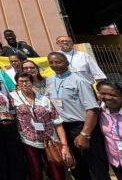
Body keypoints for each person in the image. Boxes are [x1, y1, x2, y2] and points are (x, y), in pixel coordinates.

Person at [46, 52, 110, 180]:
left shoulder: (80, 81)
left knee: (95, 167)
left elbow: (92, 109)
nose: (55, 65)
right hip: (64, 129)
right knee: (77, 167)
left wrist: (85, 134)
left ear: (67, 63)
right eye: (51, 62)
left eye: (58, 62)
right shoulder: (50, 80)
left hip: (82, 127)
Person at [10, 72, 73, 180]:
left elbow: (58, 123)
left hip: (50, 140)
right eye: (21, 81)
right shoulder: (12, 97)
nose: (24, 84)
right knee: (35, 170)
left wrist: (64, 145)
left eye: (27, 81)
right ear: (17, 83)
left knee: (56, 169)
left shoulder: (44, 100)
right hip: (28, 141)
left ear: (32, 82)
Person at [97, 81, 122, 179]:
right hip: (115, 161)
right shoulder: (98, 110)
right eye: (103, 93)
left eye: (113, 95)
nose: (107, 97)